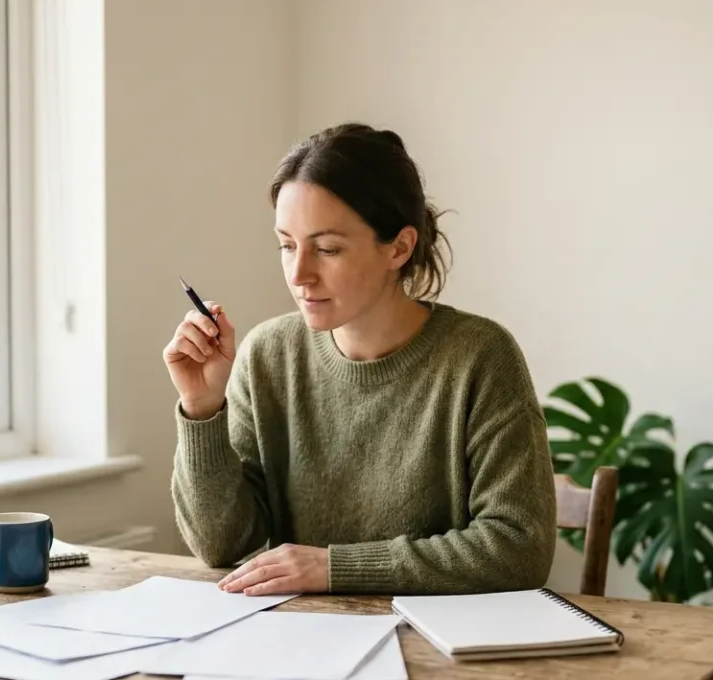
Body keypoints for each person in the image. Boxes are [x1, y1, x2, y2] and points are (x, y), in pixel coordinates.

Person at [164, 122, 556, 596]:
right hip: (303, 633)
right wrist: (202, 407)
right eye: (287, 245)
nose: (299, 274)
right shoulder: (267, 355)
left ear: (399, 247)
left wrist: (335, 567)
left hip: (433, 637)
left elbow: (519, 550)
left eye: (327, 249)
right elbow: (219, 545)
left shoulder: (481, 357)